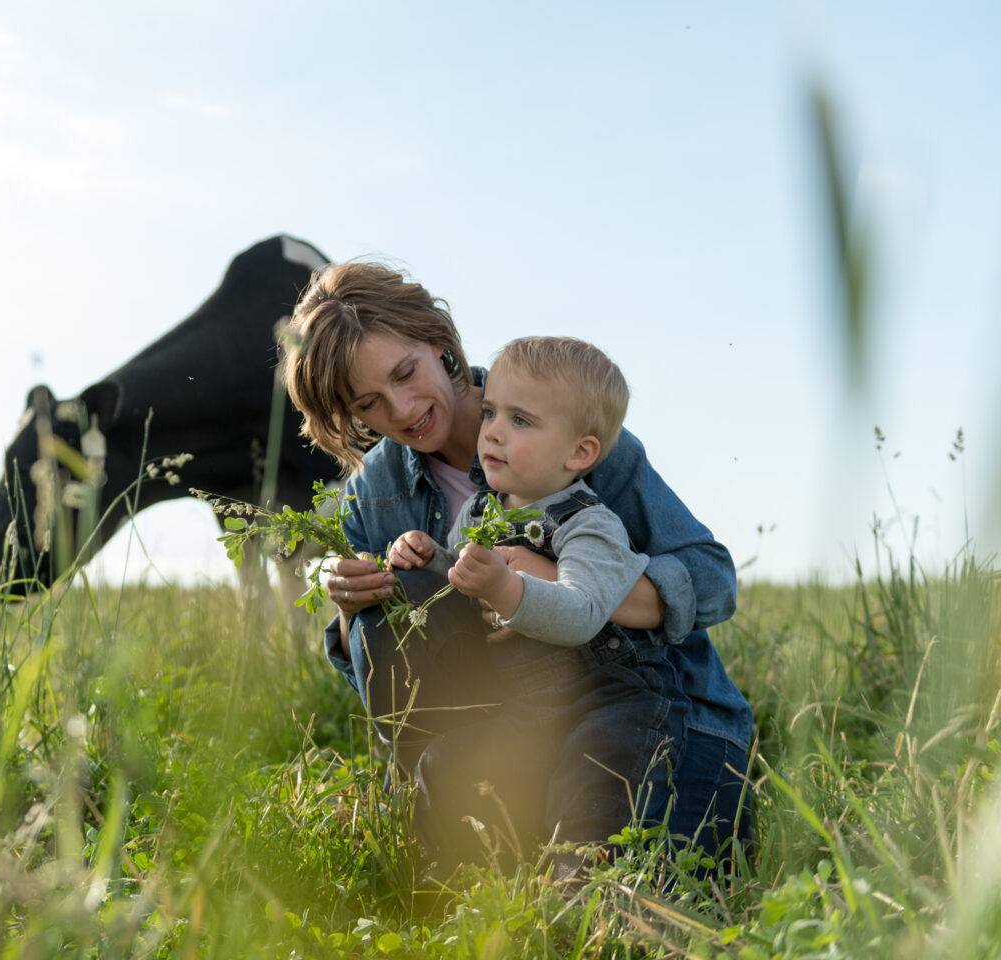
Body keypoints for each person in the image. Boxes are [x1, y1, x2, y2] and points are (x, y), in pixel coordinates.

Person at [281, 261, 752, 871]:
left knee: (650, 882)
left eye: (406, 373)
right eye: (369, 403)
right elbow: (388, 686)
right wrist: (350, 608)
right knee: (381, 618)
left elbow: (713, 580)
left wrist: (549, 582)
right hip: (511, 724)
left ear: (437, 341)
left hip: (646, 713)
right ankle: (465, 810)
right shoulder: (374, 493)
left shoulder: (559, 423)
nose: (401, 410)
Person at [387, 335, 680, 859]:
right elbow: (462, 570)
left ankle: (585, 901)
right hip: (529, 703)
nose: (494, 432)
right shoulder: (482, 512)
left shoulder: (590, 525)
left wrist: (505, 587)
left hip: (607, 700)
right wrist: (427, 554)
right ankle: (454, 885)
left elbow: (582, 613)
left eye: (520, 421)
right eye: (492, 412)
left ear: (580, 451)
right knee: (448, 765)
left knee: (589, 802)